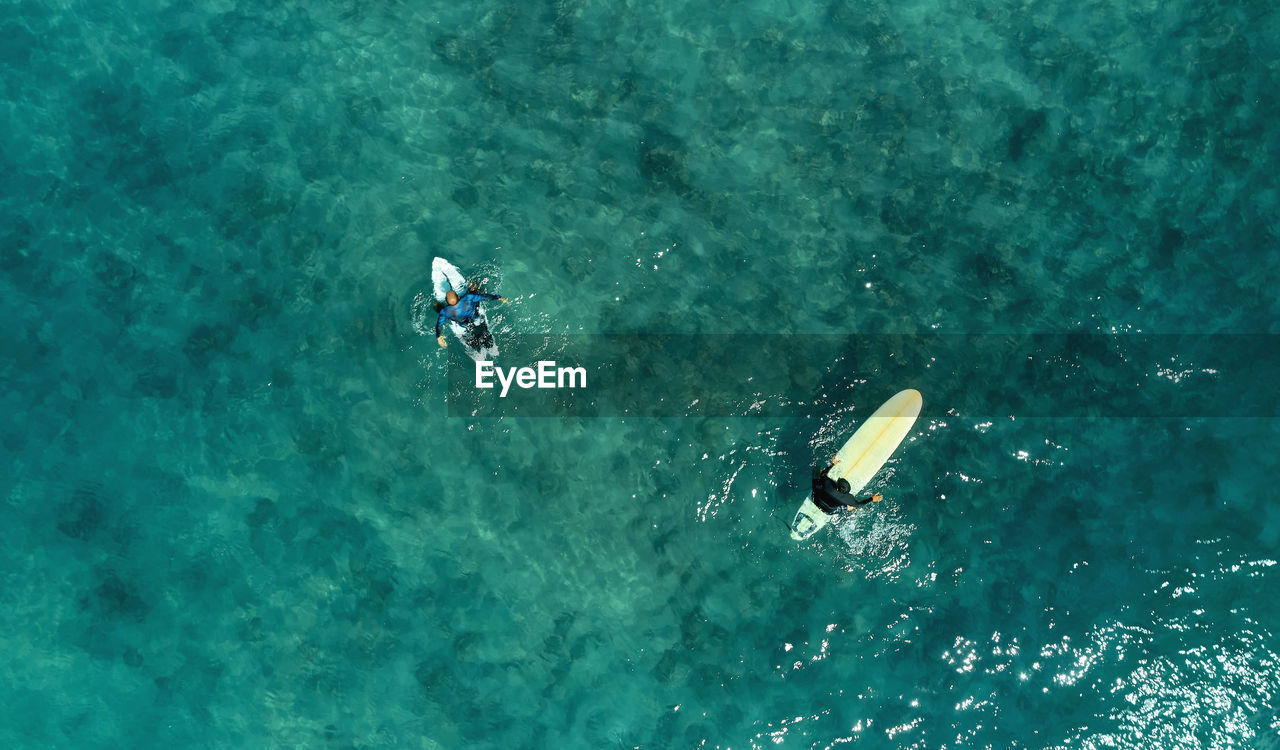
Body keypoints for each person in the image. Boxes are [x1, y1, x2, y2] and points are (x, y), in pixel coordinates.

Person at [435, 285, 508, 350]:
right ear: (458, 297)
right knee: (474, 288)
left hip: (463, 325)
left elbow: (439, 324)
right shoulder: (468, 297)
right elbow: (484, 297)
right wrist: (498, 298)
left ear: (447, 302)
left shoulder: (444, 311)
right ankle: (491, 349)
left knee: (438, 307)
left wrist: (438, 336)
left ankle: (478, 350)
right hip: (476, 319)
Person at [812, 457, 883, 514]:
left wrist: (832, 464)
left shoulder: (828, 484)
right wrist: (872, 499)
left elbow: (823, 474)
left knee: (818, 472)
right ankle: (849, 509)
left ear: (837, 487)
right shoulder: (849, 499)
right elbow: (859, 505)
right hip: (829, 511)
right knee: (851, 507)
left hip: (815, 498)